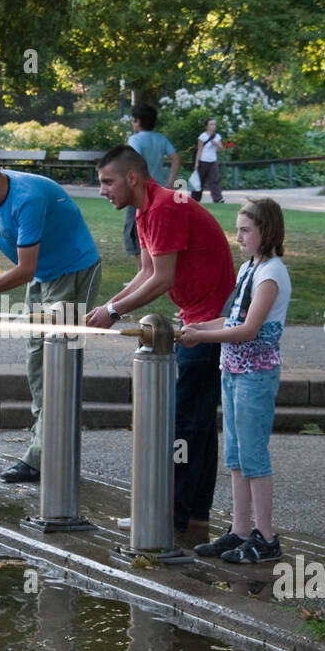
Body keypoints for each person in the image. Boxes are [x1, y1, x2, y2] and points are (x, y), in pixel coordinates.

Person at [85, 145, 235, 537]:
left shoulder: (165, 207)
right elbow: (147, 272)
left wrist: (114, 314)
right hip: (198, 316)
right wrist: (108, 306)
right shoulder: (145, 209)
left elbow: (162, 279)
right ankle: (191, 516)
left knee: (184, 422)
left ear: (132, 178)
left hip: (209, 319)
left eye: (107, 181)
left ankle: (168, 517)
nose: (102, 190)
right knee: (196, 422)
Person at [0, 134, 102, 483]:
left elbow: (24, 269)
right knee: (36, 361)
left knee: (58, 360)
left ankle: (43, 457)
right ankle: (49, 449)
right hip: (43, 276)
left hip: (75, 270)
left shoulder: (26, 198)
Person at [181, 198, 291, 564]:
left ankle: (266, 537)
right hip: (233, 371)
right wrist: (196, 327)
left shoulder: (271, 274)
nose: (238, 237)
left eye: (245, 230)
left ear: (267, 232)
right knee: (236, 456)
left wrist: (200, 337)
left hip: (256, 375)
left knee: (254, 457)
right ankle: (241, 529)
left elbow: (248, 330)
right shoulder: (250, 268)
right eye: (238, 229)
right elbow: (229, 320)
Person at [124, 104, 180, 271]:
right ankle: (154, 270)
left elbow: (134, 162)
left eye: (133, 120)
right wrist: (171, 181)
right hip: (160, 192)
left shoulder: (135, 140)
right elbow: (176, 158)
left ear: (137, 121)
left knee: (135, 230)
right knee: (155, 230)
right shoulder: (161, 138)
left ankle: (143, 271)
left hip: (140, 192)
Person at [192, 117, 225, 204]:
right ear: (207, 126)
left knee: (215, 180)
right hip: (203, 161)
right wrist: (196, 162)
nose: (213, 126)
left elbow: (221, 148)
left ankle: (218, 198)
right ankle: (195, 199)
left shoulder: (217, 136)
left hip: (213, 161)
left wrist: (216, 143)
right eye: (211, 124)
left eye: (214, 124)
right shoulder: (203, 136)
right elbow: (199, 149)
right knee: (200, 181)